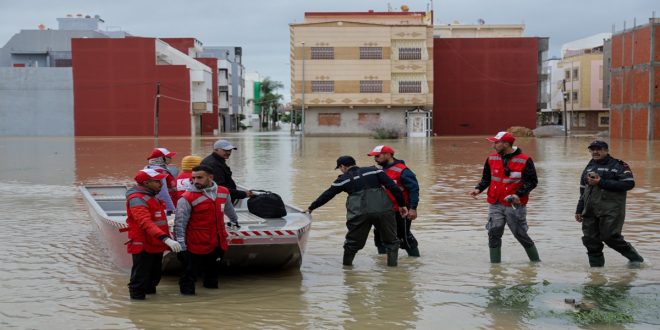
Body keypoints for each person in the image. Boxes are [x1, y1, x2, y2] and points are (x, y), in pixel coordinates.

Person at [306, 156, 409, 267]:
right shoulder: (375, 171)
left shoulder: (342, 179)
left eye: (340, 168)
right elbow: (393, 187)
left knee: (352, 243)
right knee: (391, 242)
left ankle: (347, 269)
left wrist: (311, 208)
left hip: (359, 213)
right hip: (383, 210)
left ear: (342, 166)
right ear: (354, 163)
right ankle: (392, 271)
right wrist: (402, 205)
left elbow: (327, 195)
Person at [470, 131, 540, 263]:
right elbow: (486, 178)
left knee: (520, 234)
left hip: (515, 205)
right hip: (495, 203)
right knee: (493, 233)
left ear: (506, 144)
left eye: (496, 143)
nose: (493, 146)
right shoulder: (491, 158)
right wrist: (478, 188)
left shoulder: (525, 160)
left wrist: (517, 194)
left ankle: (536, 263)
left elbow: (532, 182)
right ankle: (495, 268)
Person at [575, 140, 644, 267]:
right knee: (590, 240)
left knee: (610, 237)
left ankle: (636, 260)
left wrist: (601, 182)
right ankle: (597, 273)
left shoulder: (619, 165)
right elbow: (583, 190)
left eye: (599, 149)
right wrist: (579, 209)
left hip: (611, 210)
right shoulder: (590, 166)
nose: (595, 152)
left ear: (606, 150)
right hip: (590, 209)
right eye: (592, 149)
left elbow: (629, 184)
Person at [174, 165, 238, 295]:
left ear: (210, 177)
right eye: (193, 178)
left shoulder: (223, 192)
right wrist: (181, 246)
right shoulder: (187, 198)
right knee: (189, 277)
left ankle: (211, 303)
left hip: (217, 242)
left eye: (200, 177)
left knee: (213, 276)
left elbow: (229, 209)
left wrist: (234, 221)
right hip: (194, 244)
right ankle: (188, 303)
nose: (195, 181)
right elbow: (179, 224)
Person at [125, 169, 182, 300]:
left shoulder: (151, 196)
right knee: (140, 280)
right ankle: (138, 307)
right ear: (146, 183)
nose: (161, 184)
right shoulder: (137, 199)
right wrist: (166, 239)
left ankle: (151, 306)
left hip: (155, 244)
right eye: (157, 181)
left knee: (153, 277)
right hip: (143, 245)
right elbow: (145, 222)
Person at [368, 145, 421, 257]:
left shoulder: (403, 170)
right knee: (379, 235)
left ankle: (415, 260)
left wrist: (413, 208)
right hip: (384, 210)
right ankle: (383, 261)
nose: (375, 159)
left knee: (404, 236)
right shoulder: (379, 170)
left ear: (388, 155)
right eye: (374, 157)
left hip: (402, 210)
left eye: (377, 156)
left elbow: (414, 189)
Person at [145, 147, 177, 214]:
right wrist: (170, 208)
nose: (170, 159)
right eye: (167, 157)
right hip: (165, 207)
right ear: (160, 158)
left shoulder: (149, 169)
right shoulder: (159, 171)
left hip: (157, 204)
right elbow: (163, 192)